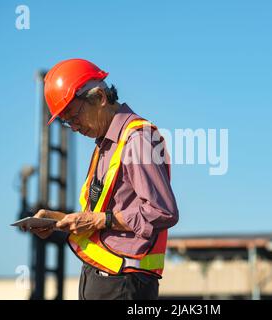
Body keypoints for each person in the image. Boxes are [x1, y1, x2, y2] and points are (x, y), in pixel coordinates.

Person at [28, 58, 179, 300]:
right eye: (67, 122)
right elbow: (103, 215)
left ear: (99, 98)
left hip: (124, 284)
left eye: (74, 116)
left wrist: (102, 220)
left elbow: (162, 212)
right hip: (105, 279)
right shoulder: (106, 144)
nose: (74, 127)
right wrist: (58, 221)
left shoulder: (137, 140)